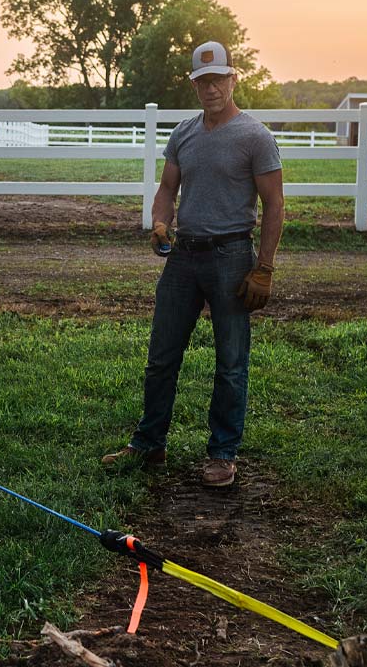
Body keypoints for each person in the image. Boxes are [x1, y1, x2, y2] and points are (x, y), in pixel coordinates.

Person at [103, 40, 283, 487]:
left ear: (233, 79)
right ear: (195, 86)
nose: (211, 89)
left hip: (232, 257)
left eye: (218, 79)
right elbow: (167, 188)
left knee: (231, 362)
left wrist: (264, 268)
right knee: (161, 356)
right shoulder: (183, 133)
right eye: (203, 82)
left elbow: (275, 205)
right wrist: (160, 222)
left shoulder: (256, 137)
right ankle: (150, 443)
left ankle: (222, 453)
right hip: (183, 257)